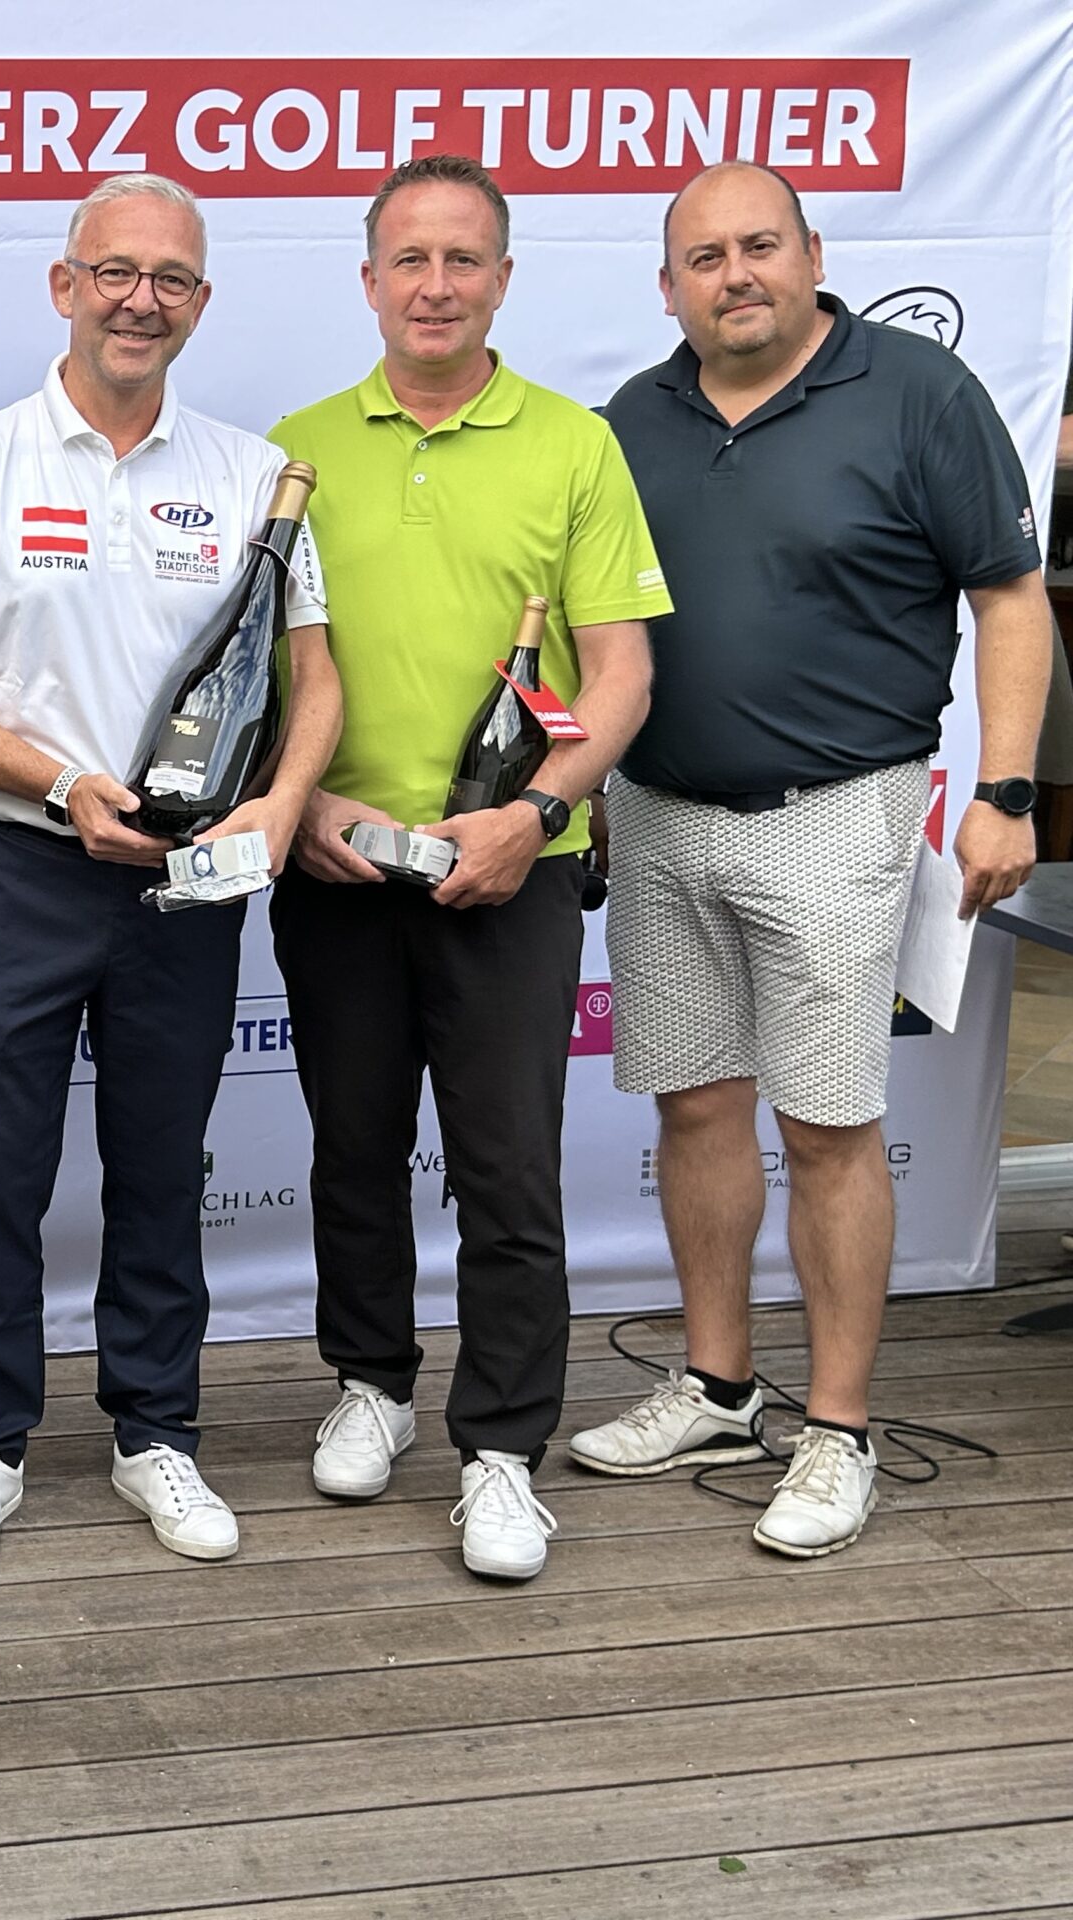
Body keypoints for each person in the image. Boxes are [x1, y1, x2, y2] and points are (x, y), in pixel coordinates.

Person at [574, 162, 1049, 1555]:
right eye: (704, 257)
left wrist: (1007, 789)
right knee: (695, 1108)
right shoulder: (631, 419)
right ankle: (720, 1386)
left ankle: (838, 1429)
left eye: (760, 245)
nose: (736, 275)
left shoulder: (919, 392)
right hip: (659, 813)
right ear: (669, 287)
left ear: (813, 252)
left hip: (838, 812)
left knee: (830, 1125)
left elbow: (1010, 598)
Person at [0, 173, 341, 1574]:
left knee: (159, 1167)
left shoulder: (253, 474)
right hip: (18, 868)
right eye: (116, 273)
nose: (142, 301)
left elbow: (312, 678)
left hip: (183, 886)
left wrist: (277, 814)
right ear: (65, 285)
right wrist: (60, 785)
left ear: (200, 303)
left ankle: (156, 1433)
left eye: (172, 280)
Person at [269, 154, 666, 1582]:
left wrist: (538, 815)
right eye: (410, 260)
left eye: (463, 260)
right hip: (337, 865)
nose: (434, 286)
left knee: (507, 1166)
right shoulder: (300, 448)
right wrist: (297, 802)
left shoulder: (575, 444)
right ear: (368, 279)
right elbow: (268, 667)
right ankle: (371, 1382)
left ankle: (502, 1450)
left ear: (502, 278)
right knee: (354, 1145)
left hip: (515, 864)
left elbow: (620, 675)